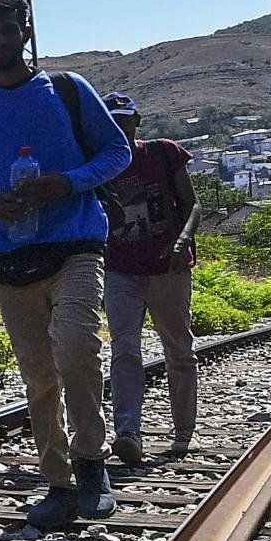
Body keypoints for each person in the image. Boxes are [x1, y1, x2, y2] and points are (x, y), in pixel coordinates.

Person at [0, 0, 133, 529]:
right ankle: (58, 482)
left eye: (9, 30)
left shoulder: (68, 90)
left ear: (25, 33)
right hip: (9, 255)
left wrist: (68, 183)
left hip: (76, 242)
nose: (0, 41)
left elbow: (117, 152)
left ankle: (91, 463)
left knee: (76, 348)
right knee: (39, 374)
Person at [99, 94, 198, 466]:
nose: (117, 126)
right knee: (124, 349)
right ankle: (128, 433)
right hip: (120, 270)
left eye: (123, 119)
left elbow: (192, 204)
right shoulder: (98, 167)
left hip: (168, 269)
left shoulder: (163, 153)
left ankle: (183, 432)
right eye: (110, 120)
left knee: (178, 349)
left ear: (136, 120)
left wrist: (183, 240)